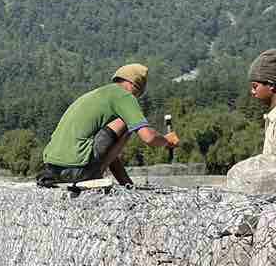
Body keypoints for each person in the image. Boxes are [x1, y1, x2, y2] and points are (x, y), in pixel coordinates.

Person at [37, 63, 180, 188]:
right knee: (127, 122)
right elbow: (148, 138)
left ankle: (100, 176)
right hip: (78, 171)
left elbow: (109, 151)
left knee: (120, 126)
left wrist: (128, 186)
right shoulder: (124, 96)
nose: (137, 98)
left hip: (52, 171)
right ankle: (94, 175)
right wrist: (167, 141)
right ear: (134, 85)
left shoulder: (94, 95)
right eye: (139, 94)